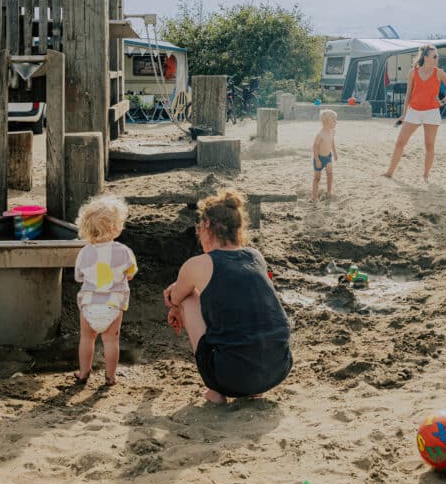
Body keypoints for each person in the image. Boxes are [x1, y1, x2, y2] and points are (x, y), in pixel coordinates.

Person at [163, 189, 292, 405]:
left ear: (206, 225)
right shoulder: (255, 256)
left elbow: (174, 298)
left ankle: (215, 391)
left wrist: (175, 306)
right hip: (278, 369)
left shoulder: (197, 264)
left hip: (230, 378)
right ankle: (255, 391)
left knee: (188, 297)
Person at [73, 195, 138, 386]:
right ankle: (110, 378)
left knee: (86, 339)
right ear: (114, 228)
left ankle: (84, 372)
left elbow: (79, 277)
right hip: (112, 304)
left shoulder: (85, 252)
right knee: (111, 342)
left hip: (89, 304)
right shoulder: (124, 251)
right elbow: (131, 273)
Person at [384, 44, 446, 182]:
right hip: (414, 111)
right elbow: (408, 94)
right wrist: (405, 113)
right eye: (434, 56)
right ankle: (389, 172)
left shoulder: (439, 73)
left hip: (431, 112)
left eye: (437, 56)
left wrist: (442, 102)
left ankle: (425, 176)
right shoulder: (413, 73)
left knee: (429, 145)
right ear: (425, 57)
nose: (437, 58)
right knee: (400, 143)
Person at [312, 109, 339, 201]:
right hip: (319, 158)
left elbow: (332, 142)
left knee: (330, 174)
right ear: (326, 121)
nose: (336, 122)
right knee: (317, 178)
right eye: (334, 120)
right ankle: (314, 196)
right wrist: (317, 159)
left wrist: (335, 153)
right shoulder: (320, 134)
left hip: (328, 157)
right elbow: (315, 147)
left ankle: (329, 191)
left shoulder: (332, 132)